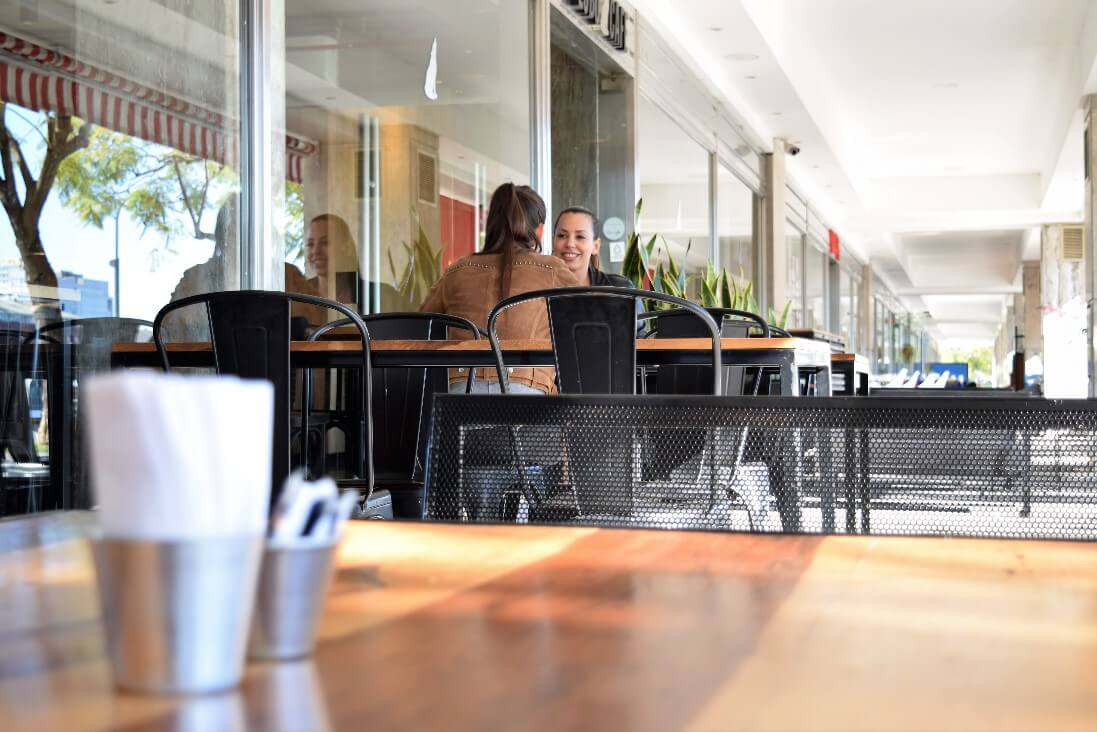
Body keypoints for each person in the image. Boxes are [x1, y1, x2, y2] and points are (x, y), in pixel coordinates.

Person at [420, 183, 579, 393]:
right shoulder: (551, 269)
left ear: (491, 224)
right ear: (539, 229)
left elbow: (421, 323)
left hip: (461, 394)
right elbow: (592, 318)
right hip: (526, 395)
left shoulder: (457, 271)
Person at [168, 195, 319, 340]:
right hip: (205, 364)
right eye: (233, 226)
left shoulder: (288, 275)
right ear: (222, 234)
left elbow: (318, 324)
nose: (243, 235)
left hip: (279, 365)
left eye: (250, 227)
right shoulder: (194, 278)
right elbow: (169, 330)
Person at [552, 206, 630, 288]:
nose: (570, 244)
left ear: (596, 246)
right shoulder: (538, 287)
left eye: (580, 237)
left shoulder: (620, 290)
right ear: (553, 241)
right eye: (562, 235)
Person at [305, 213, 360, 307]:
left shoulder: (375, 295)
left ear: (346, 248)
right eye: (310, 244)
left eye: (325, 243)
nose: (316, 251)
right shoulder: (299, 295)